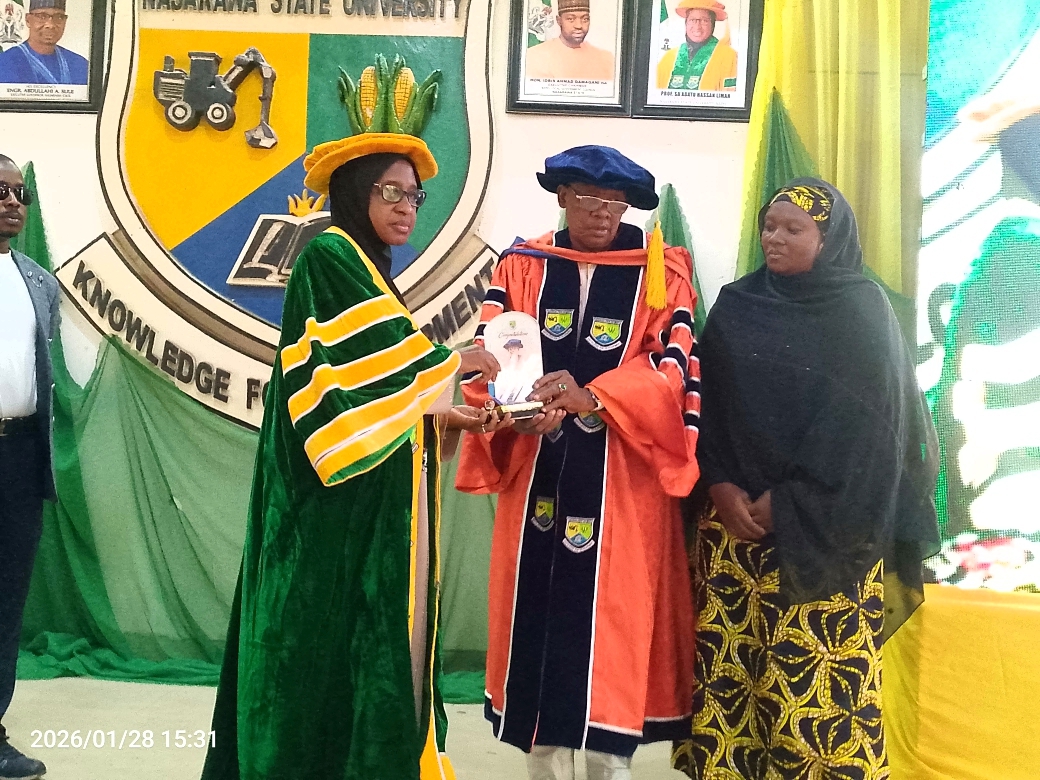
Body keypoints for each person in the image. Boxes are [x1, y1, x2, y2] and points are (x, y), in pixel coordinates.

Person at [199, 128, 506, 780]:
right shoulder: (329, 254)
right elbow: (367, 373)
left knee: (363, 646)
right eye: (390, 192)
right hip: (325, 509)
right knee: (320, 647)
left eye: (416, 197)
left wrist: (444, 414)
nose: (406, 207)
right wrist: (455, 362)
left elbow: (378, 390)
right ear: (353, 193)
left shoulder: (369, 270)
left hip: (373, 498)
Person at [671, 179, 941, 779]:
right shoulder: (738, 304)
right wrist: (718, 483)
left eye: (795, 229)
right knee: (731, 679)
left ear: (830, 237)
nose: (776, 238)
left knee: (819, 702)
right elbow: (703, 405)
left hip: (829, 538)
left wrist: (789, 501)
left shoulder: (861, 311)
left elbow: (875, 433)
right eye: (771, 226)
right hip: (734, 536)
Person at [457, 145, 701, 780]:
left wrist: (595, 397)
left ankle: (607, 763)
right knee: (535, 609)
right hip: (540, 468)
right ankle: (542, 761)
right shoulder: (522, 265)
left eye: (614, 201)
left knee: (612, 619)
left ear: (631, 204)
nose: (601, 211)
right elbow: (491, 356)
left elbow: (672, 369)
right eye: (586, 198)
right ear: (560, 197)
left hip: (621, 479)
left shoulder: (660, 272)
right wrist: (514, 415)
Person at [0, 154, 57, 780]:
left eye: (21, 193)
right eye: (0, 190)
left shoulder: (40, 281)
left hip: (18, 458)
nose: (13, 202)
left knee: (5, 601)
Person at [655, 0, 737, 92]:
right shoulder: (669, 57)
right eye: (692, 20)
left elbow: (729, 99)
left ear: (712, 25)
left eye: (704, 21)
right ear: (686, 23)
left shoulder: (728, 56)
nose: (697, 26)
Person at [0, 0, 87, 86]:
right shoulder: (5, 62)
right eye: (42, 16)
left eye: (59, 17)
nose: (50, 25)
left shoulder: (80, 64)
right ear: (28, 20)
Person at [525, 0, 614, 82]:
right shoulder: (534, 56)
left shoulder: (606, 58)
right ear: (559, 21)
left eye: (585, 19)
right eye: (571, 19)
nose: (579, 25)